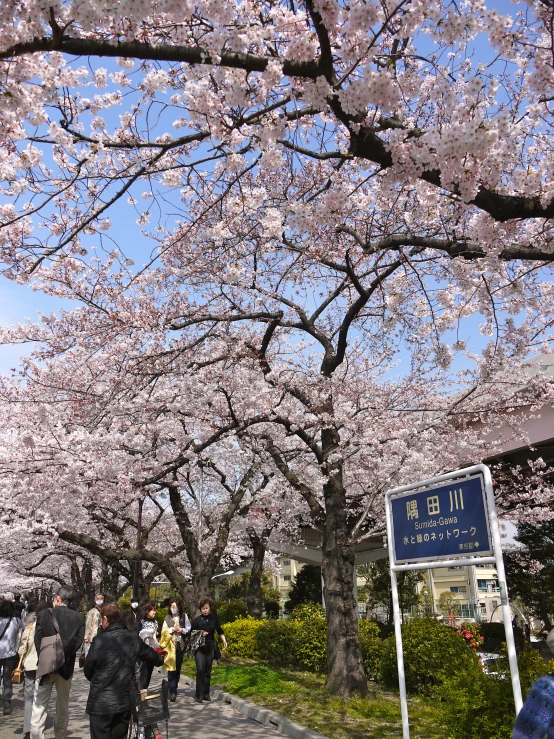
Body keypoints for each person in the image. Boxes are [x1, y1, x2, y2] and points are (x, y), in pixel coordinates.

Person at [84, 602, 164, 739]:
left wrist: (100, 679)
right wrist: (161, 657)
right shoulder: (133, 637)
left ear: (105, 619)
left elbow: (88, 670)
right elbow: (152, 656)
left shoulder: (99, 640)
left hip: (100, 702)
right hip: (124, 699)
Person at [31, 586, 85, 739]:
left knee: (39, 705)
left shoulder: (43, 615)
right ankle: (59, 736)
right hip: (65, 668)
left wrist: (46, 657)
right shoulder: (79, 618)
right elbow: (77, 643)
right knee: (62, 706)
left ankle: (36, 736)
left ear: (58, 598)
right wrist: (64, 656)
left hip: (45, 667)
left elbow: (38, 639)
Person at [20, 600, 48, 739]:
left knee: (28, 698)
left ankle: (27, 730)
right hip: (42, 665)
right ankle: (36, 726)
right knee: (40, 698)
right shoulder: (48, 628)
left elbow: (22, 648)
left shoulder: (29, 628)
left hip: (29, 665)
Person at [190, 597, 227, 703]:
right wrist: (200, 634)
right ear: (200, 609)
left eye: (207, 608)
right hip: (199, 648)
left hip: (210, 647)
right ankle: (199, 694)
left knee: (207, 671)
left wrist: (224, 640)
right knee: (200, 670)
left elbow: (219, 630)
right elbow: (191, 634)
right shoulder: (197, 620)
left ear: (209, 608)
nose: (205, 610)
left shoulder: (213, 618)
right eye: (203, 608)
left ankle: (206, 693)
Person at [160, 598, 191, 702]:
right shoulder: (167, 618)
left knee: (177, 668)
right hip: (170, 646)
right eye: (171, 606)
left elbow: (189, 628)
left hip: (180, 645)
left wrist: (182, 630)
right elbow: (163, 631)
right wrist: (172, 629)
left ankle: (174, 688)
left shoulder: (184, 616)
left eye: (175, 606)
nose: (173, 608)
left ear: (179, 607)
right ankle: (172, 691)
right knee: (171, 669)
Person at [0, 598, 23, 715]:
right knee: (7, 678)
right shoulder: (16, 621)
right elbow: (24, 631)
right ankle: (7, 701)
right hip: (10, 654)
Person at [135, 602, 159, 690]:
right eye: (153, 610)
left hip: (152, 650)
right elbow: (137, 634)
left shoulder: (155, 622)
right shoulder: (141, 622)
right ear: (147, 611)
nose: (154, 612)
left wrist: (157, 633)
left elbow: (157, 635)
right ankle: (141, 692)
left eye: (155, 610)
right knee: (143, 672)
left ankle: (144, 690)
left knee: (149, 672)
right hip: (142, 650)